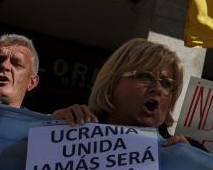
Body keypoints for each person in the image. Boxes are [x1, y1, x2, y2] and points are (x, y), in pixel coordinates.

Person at [52, 38, 191, 146]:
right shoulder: (73, 127)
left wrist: (192, 168)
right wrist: (53, 127)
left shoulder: (186, 151)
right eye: (145, 76)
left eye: (166, 83)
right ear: (112, 82)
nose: (158, 88)